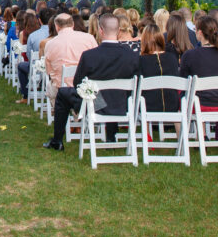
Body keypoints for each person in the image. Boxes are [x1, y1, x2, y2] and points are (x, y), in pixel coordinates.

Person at [43, 14, 139, 151]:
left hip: (96, 104)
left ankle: (57, 140)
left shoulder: (90, 56)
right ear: (118, 31)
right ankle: (111, 137)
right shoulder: (132, 55)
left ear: (100, 30)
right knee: (111, 94)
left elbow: (77, 83)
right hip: (123, 104)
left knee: (63, 94)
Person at [180, 15, 218, 141]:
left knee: (186, 93)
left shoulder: (190, 55)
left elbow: (183, 81)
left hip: (200, 105)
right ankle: (201, 135)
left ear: (200, 32)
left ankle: (200, 135)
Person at [43, 13, 98, 106]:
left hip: (61, 89)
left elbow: (49, 71)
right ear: (73, 24)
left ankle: (57, 110)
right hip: (86, 86)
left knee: (50, 85)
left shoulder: (50, 44)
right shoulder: (89, 38)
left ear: (56, 26)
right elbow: (97, 61)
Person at [137, 24, 181, 115]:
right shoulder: (172, 58)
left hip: (148, 107)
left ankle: (147, 129)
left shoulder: (140, 61)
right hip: (172, 106)